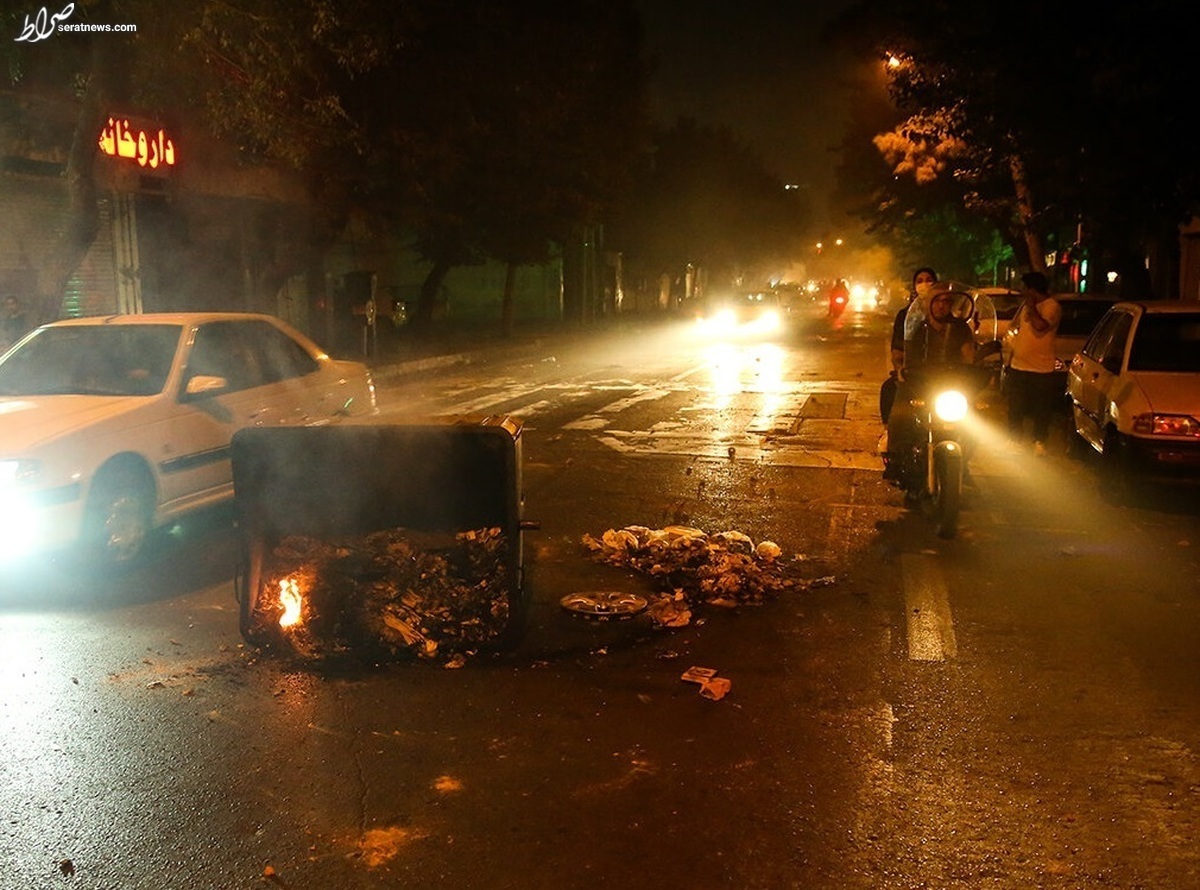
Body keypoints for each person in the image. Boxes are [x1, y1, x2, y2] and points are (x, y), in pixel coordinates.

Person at [883, 282, 976, 481]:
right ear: (928, 303)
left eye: (947, 301)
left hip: (950, 386)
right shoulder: (916, 327)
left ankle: (963, 463)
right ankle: (895, 460)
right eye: (938, 300)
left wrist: (978, 369)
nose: (943, 305)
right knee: (900, 416)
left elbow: (969, 356)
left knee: (975, 420)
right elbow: (899, 354)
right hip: (918, 383)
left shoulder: (960, 328)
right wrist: (900, 369)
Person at [1005, 271, 1062, 456]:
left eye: (1024, 288)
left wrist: (1031, 305)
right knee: (1015, 406)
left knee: (1041, 408)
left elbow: (1039, 327)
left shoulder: (1051, 307)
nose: (1021, 291)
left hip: (1041, 368)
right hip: (1019, 366)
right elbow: (1019, 331)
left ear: (1032, 289)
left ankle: (1039, 440)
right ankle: (1014, 439)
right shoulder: (1025, 307)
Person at [881, 267, 937, 424]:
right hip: (914, 375)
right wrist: (901, 371)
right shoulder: (906, 316)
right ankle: (889, 434)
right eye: (919, 281)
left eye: (929, 280)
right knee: (889, 390)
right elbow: (897, 352)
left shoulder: (949, 315)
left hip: (943, 375)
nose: (925, 284)